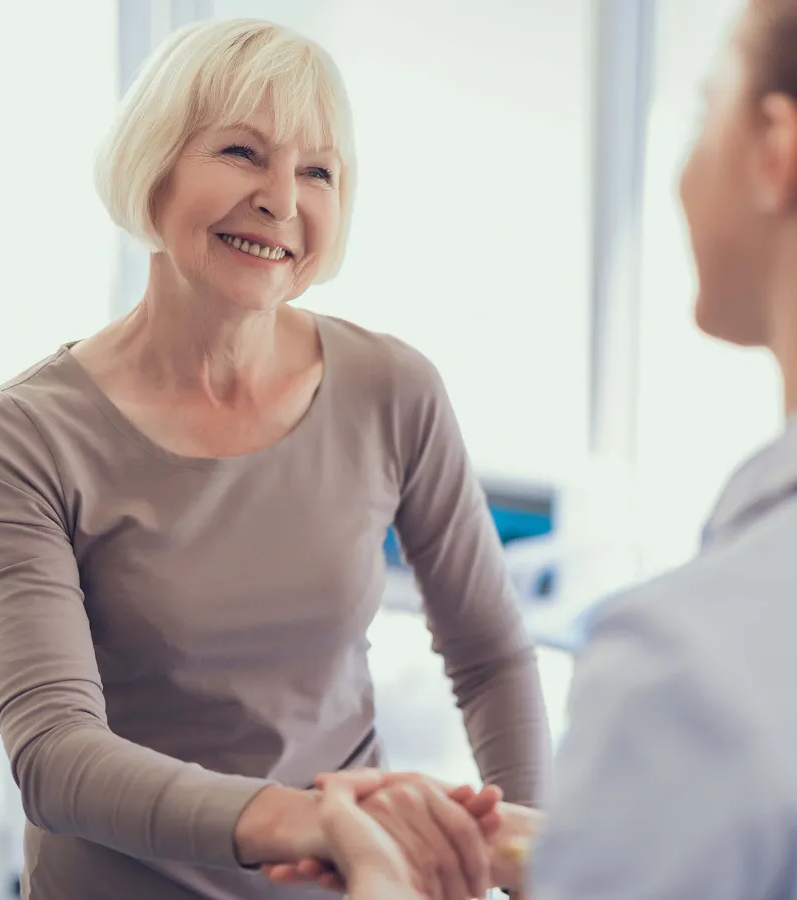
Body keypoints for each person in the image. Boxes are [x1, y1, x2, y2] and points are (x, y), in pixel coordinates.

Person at [0, 17, 549, 900]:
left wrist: (541, 857)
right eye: (241, 152)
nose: (281, 199)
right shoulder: (24, 436)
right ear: (152, 168)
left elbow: (492, 654)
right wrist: (302, 819)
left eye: (317, 171)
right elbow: (54, 752)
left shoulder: (393, 388)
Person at [269, 0, 797, 896]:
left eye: (705, 104)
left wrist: (384, 876)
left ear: (774, 152)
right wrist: (544, 846)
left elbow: (491, 653)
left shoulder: (687, 670)